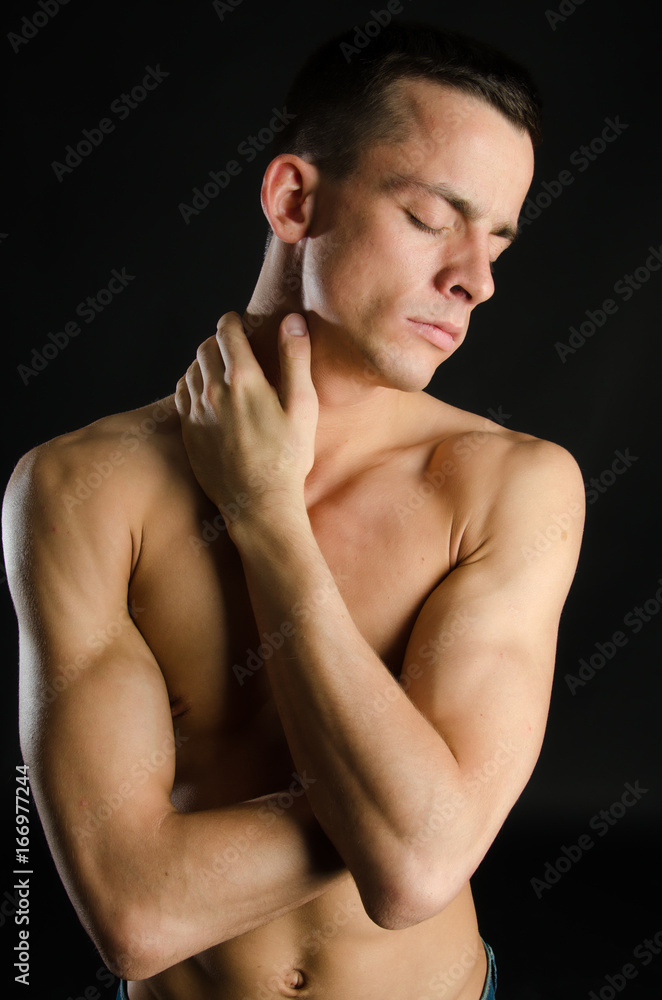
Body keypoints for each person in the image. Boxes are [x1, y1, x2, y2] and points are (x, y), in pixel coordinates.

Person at [3, 21, 584, 1000]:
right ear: (293, 198)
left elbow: (416, 878)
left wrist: (263, 510)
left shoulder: (507, 484)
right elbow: (132, 916)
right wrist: (399, 809)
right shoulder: (77, 488)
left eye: (495, 238)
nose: (474, 280)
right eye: (433, 216)